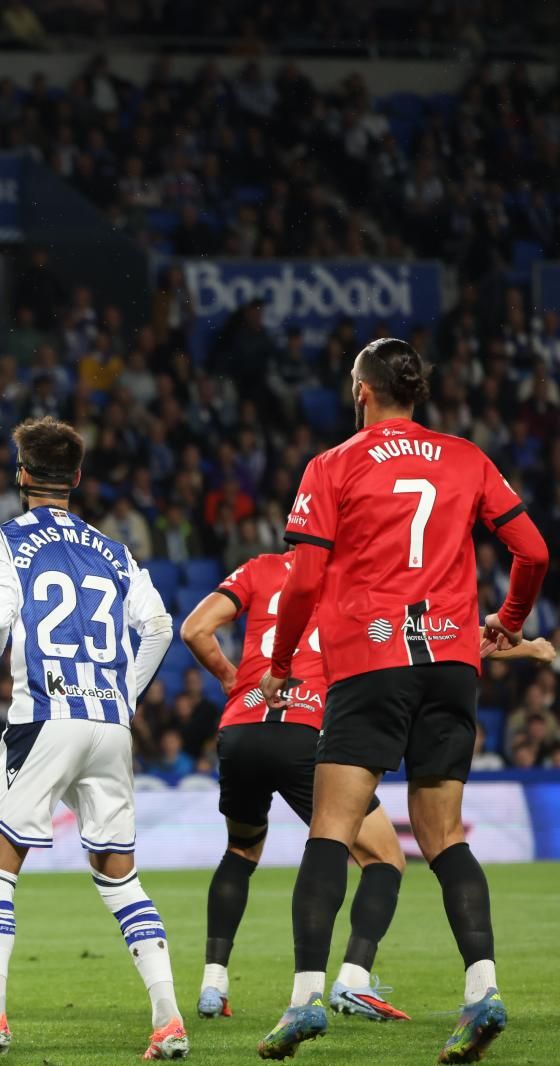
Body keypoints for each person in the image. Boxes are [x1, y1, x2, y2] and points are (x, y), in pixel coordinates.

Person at [256, 339, 549, 1062]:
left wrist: (284, 660)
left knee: (331, 829)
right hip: (452, 662)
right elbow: (535, 553)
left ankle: (304, 1001)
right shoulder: (467, 457)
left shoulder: (333, 465)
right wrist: (507, 625)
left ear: (362, 392)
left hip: (370, 659)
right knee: (444, 836)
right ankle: (482, 990)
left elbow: (300, 581)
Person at [0, 416, 186, 1063]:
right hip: (109, 723)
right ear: (75, 479)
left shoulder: (5, 540)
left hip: (44, 713)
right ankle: (169, 1019)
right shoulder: (114, 549)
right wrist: (123, 695)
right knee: (119, 876)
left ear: (21, 476)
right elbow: (159, 628)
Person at [180, 552, 409, 1022]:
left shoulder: (259, 568)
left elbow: (194, 629)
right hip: (306, 730)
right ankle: (354, 981)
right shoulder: (357, 574)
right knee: (383, 855)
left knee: (241, 852)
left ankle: (213, 984)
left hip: (242, 729)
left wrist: (231, 679)